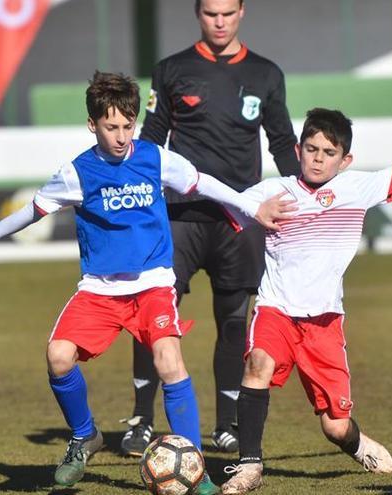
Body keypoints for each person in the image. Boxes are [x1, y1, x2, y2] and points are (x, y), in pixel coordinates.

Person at [0, 71, 292, 492]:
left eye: (127, 125)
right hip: (100, 289)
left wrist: (251, 206)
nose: (121, 136)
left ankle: (195, 468)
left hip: (153, 284)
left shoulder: (155, 158)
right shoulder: (76, 173)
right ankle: (84, 437)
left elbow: (203, 183)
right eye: (111, 126)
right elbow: (32, 211)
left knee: (169, 361)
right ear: (92, 125)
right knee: (59, 356)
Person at [219, 108, 392, 494]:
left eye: (329, 152)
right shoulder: (272, 192)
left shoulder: (357, 189)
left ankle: (357, 443)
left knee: (335, 427)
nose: (318, 158)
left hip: (325, 322)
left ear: (345, 160)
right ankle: (250, 466)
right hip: (276, 309)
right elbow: (219, 205)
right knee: (257, 366)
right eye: (312, 149)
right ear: (298, 150)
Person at [123, 0, 302, 457]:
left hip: (238, 222)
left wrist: (303, 198)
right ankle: (142, 420)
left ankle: (228, 423)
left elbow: (282, 142)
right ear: (198, 15)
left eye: (227, 13)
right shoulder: (171, 70)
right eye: (210, 14)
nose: (219, 22)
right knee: (153, 318)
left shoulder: (267, 74)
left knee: (234, 321)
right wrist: (135, 200)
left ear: (242, 12)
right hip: (179, 218)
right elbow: (151, 139)